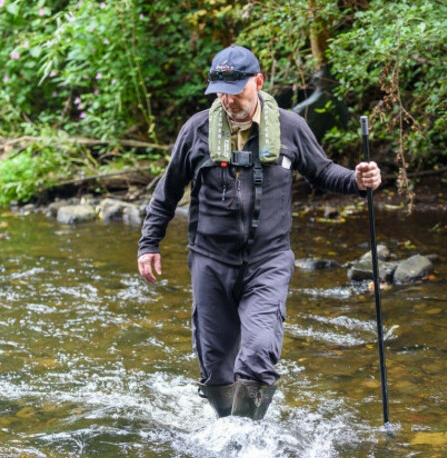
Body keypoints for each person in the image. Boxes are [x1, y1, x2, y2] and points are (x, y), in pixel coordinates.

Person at [137, 45, 381, 420]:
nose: (229, 99)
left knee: (259, 353)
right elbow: (167, 191)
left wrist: (359, 180)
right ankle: (224, 428)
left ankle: (245, 440)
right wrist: (149, 243)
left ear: (259, 81)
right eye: (221, 90)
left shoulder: (291, 127)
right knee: (216, 364)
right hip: (210, 260)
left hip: (267, 261)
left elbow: (324, 171)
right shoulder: (196, 130)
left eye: (237, 90)